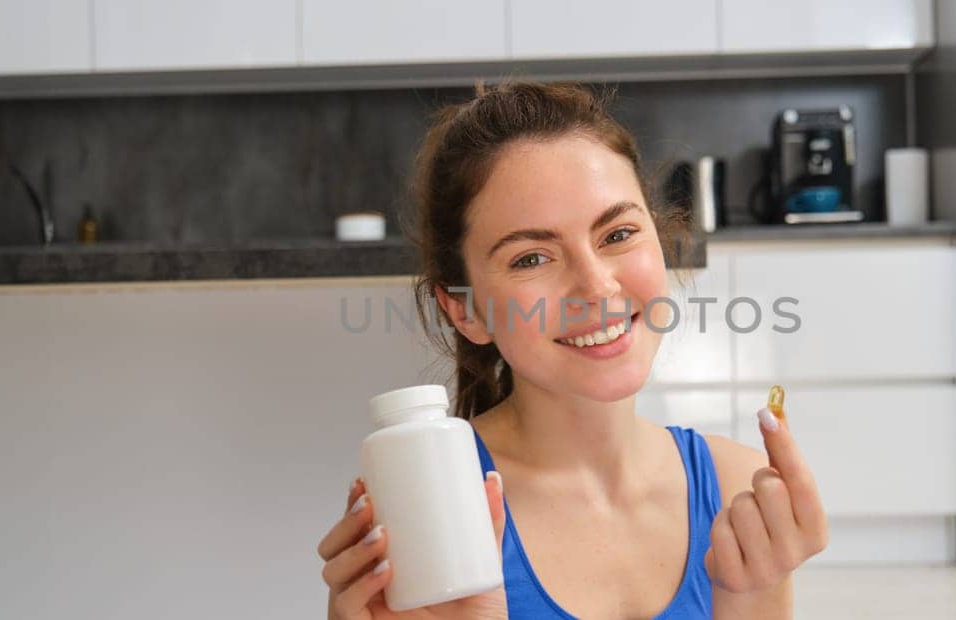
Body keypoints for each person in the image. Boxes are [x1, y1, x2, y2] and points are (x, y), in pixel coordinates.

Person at [318, 82, 827, 619]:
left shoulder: (737, 493)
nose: (598, 287)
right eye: (531, 258)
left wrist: (752, 595)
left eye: (618, 233)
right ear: (464, 310)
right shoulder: (430, 512)